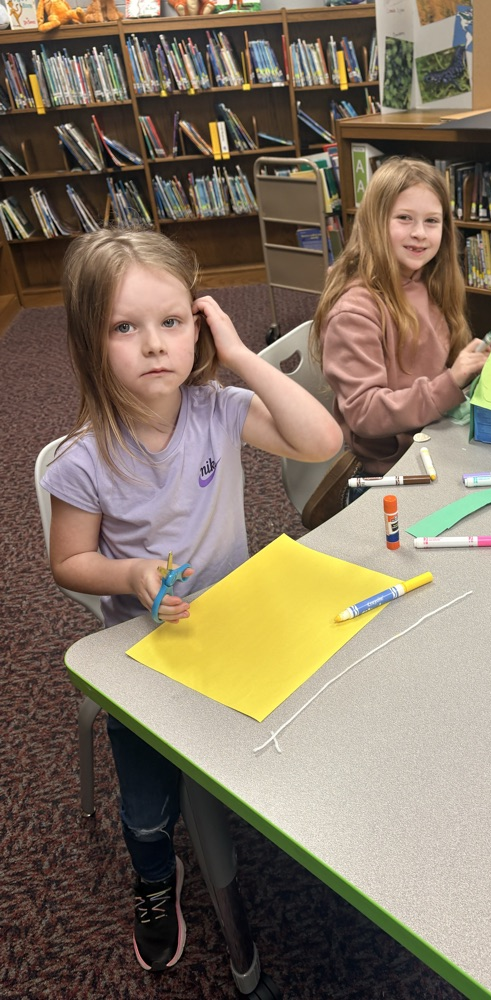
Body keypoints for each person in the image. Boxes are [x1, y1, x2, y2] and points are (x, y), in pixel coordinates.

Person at [41, 227, 342, 973]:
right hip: (147, 650)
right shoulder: (83, 461)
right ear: (89, 341)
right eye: (125, 327)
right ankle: (155, 876)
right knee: (148, 812)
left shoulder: (216, 407)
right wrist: (132, 575)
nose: (154, 346)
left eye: (172, 322)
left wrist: (240, 356)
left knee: (303, 731)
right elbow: (68, 562)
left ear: (199, 324)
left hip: (237, 625)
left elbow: (321, 441)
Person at [306, 156, 491, 525]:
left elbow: (447, 362)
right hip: (388, 475)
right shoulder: (355, 311)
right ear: (375, 223)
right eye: (404, 218)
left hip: (434, 447)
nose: (420, 233)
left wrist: (488, 357)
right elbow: (366, 414)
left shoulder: (427, 281)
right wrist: (451, 382)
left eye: (431, 221)